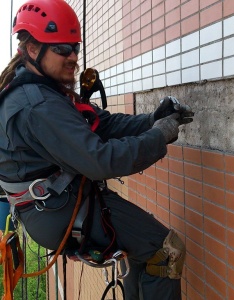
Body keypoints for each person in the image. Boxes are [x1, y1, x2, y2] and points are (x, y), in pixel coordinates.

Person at [0, 0, 194, 299]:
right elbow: (101, 160)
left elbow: (99, 123)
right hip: (59, 208)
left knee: (146, 251)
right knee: (166, 250)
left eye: (75, 47)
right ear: (33, 49)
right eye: (62, 48)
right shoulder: (37, 104)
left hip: (57, 203)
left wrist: (152, 120)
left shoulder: (45, 91)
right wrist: (159, 136)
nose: (73, 57)